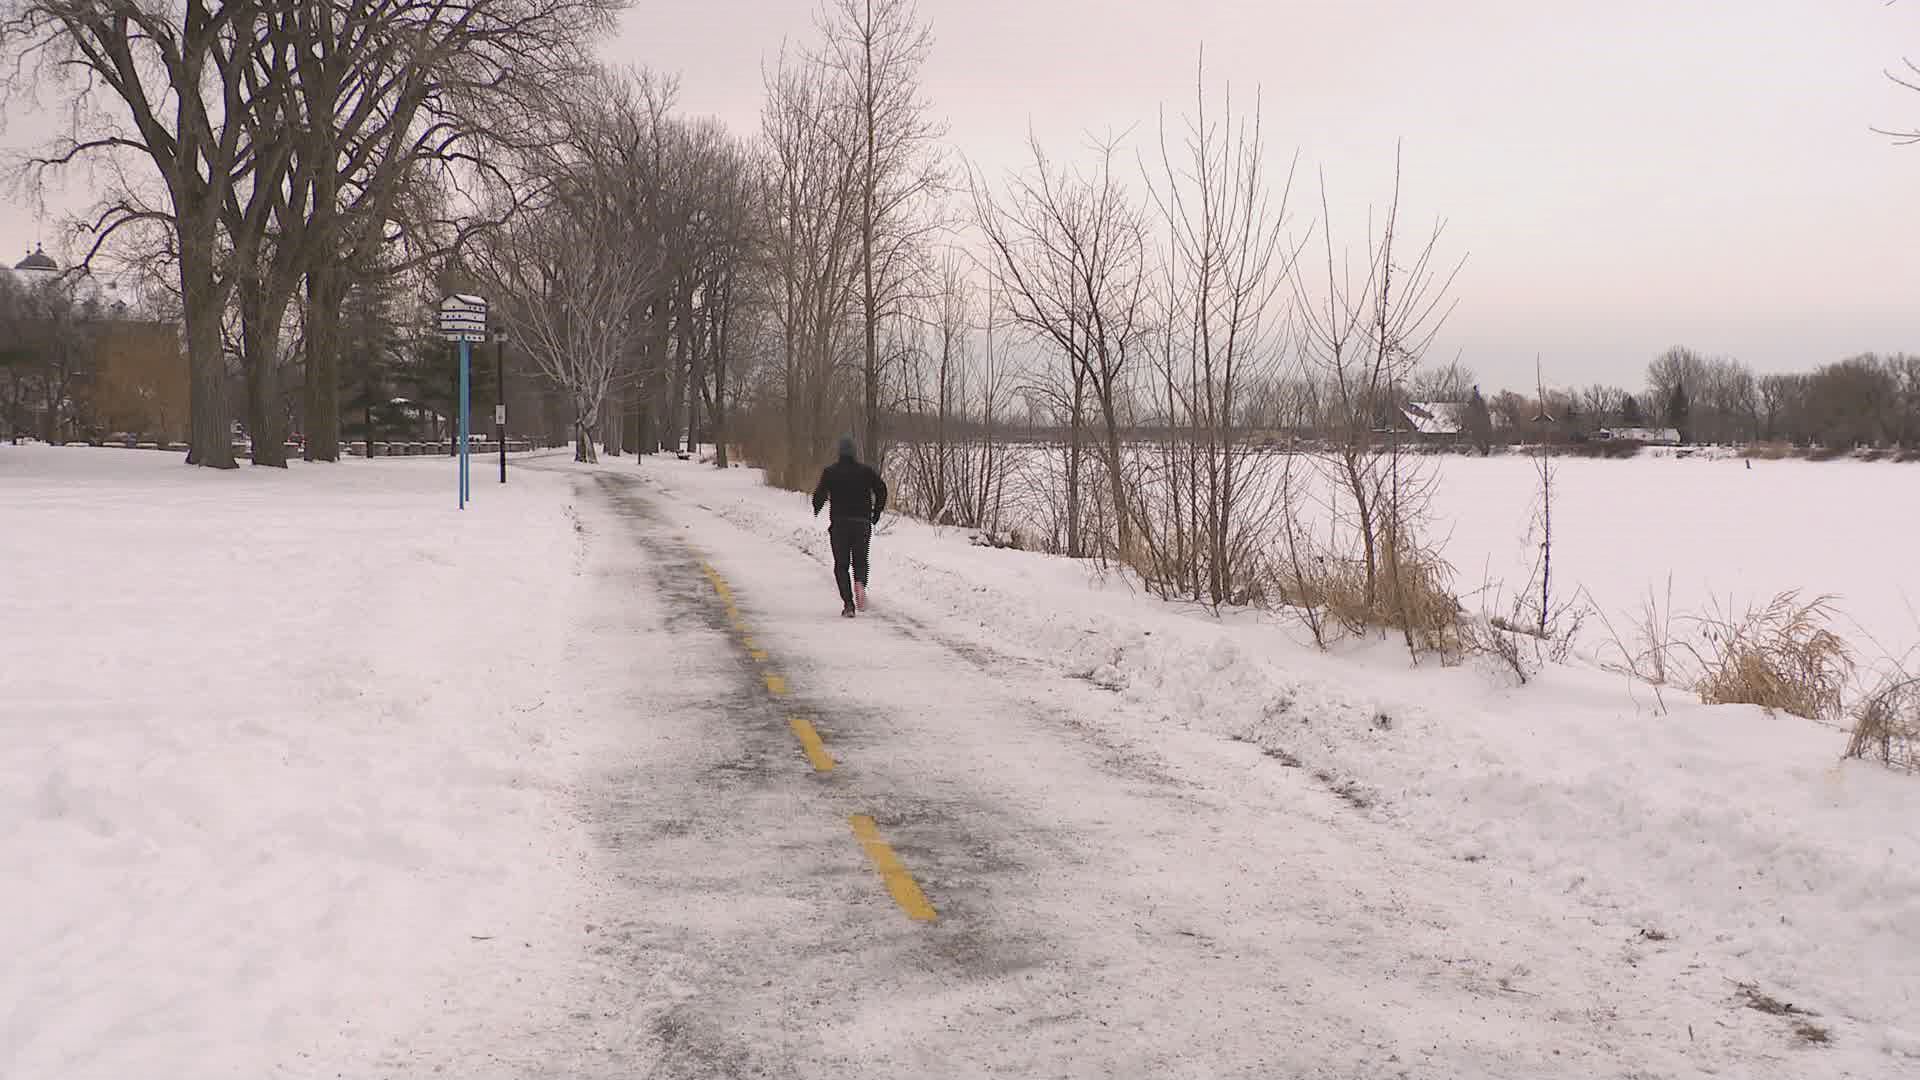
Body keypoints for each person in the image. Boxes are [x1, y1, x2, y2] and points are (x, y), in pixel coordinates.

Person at [812, 434, 889, 617]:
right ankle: (860, 583)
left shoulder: (830, 472)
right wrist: (876, 512)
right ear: (854, 453)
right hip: (862, 523)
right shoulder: (866, 471)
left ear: (839, 453)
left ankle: (848, 604)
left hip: (839, 524)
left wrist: (817, 507)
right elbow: (882, 490)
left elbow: (819, 495)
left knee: (841, 565)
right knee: (860, 561)